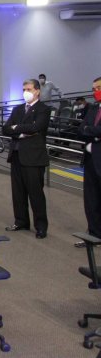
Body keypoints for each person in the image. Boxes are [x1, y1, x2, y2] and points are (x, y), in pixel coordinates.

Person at [2, 79, 50, 239]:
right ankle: (21, 221)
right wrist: (22, 132)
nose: (25, 92)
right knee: (18, 192)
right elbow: (6, 129)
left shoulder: (43, 109)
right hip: (16, 155)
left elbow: (37, 127)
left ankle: (41, 226)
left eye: (28, 89)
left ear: (37, 91)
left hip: (34, 158)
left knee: (36, 193)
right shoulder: (17, 109)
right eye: (24, 89)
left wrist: (16, 128)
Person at [78, 77, 101, 246]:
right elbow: (80, 129)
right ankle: (94, 234)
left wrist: (90, 130)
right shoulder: (93, 108)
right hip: (90, 161)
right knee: (91, 199)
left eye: (99, 88)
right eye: (93, 89)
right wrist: (94, 132)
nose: (95, 92)